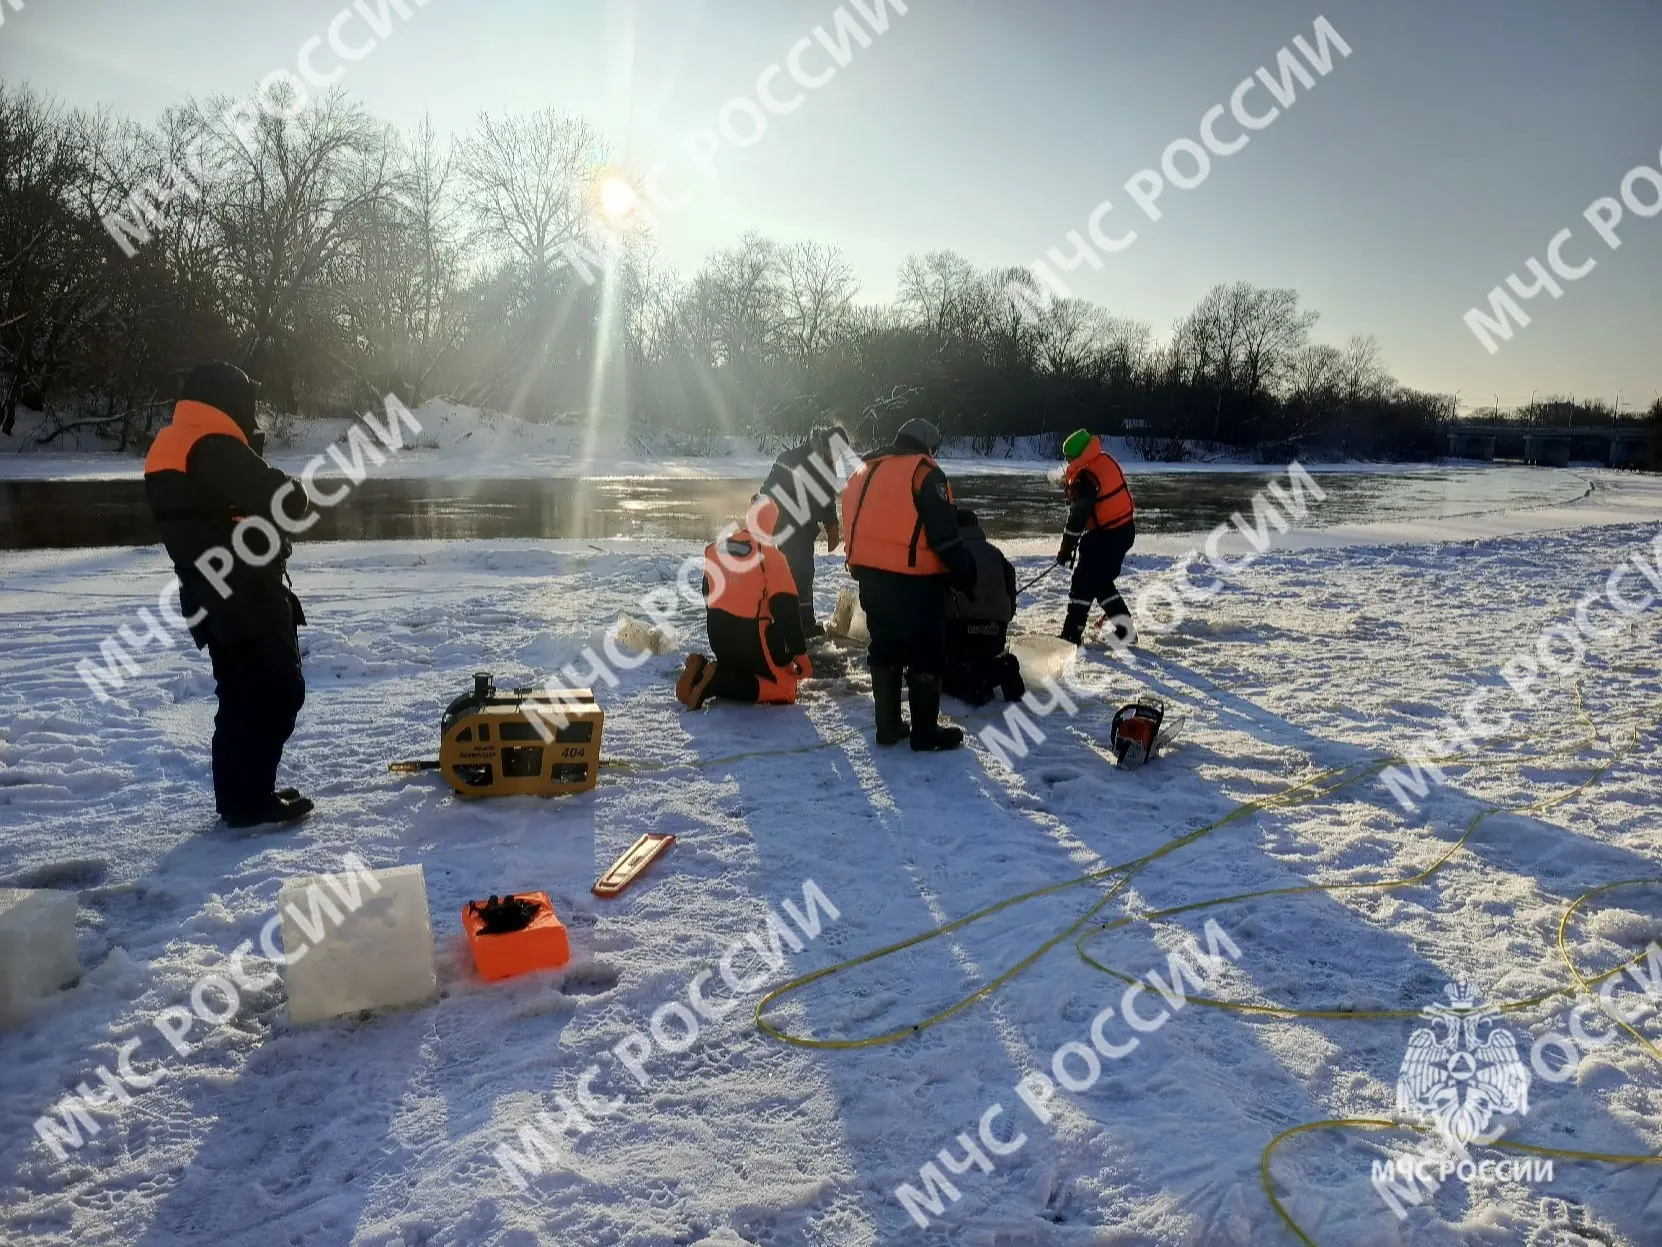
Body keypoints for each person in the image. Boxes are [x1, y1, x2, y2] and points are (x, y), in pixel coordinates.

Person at [144, 361, 313, 828]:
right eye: (248, 403)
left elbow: (210, 511)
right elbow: (285, 499)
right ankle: (251, 801)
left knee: (240, 695)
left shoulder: (171, 445)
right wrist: (289, 484)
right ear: (229, 402)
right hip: (246, 593)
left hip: (206, 593)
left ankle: (243, 797)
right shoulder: (214, 447)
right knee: (277, 690)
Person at [842, 417, 976, 750]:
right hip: (916, 580)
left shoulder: (864, 471)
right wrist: (965, 573)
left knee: (884, 646)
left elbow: (857, 520)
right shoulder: (924, 474)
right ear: (927, 445)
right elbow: (944, 537)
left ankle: (887, 727)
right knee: (926, 652)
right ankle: (924, 733)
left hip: (870, 576)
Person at [677, 497, 813, 710]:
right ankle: (716, 681)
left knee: (741, 671)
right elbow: (787, 612)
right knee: (785, 689)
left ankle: (701, 674)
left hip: (718, 636)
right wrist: (800, 655)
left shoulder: (716, 549)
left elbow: (707, 594)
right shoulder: (772, 557)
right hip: (752, 641)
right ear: (772, 523)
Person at [758, 425, 847, 637]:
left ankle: (796, 621)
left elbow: (827, 499)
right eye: (837, 451)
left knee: (802, 572)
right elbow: (767, 490)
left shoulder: (828, 466)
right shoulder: (791, 458)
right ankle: (801, 624)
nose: (837, 457)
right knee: (800, 571)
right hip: (787, 525)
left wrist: (832, 526)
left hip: (806, 528)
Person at [1057, 428, 1137, 646]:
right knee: (1100, 582)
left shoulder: (1086, 476)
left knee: (1083, 581)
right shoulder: (1102, 461)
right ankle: (1125, 632)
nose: (1067, 461)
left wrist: (1066, 547)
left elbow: (1078, 516)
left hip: (1107, 536)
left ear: (1077, 454)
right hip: (1122, 530)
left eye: (1068, 457)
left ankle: (1071, 635)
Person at [944, 509, 1026, 707]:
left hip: (961, 635)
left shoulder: (952, 556)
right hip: (996, 635)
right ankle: (999, 669)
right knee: (981, 659)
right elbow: (1011, 602)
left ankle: (973, 685)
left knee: (940, 673)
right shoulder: (997, 555)